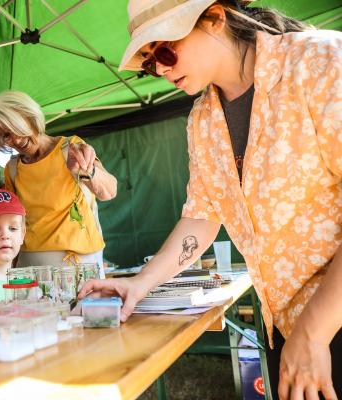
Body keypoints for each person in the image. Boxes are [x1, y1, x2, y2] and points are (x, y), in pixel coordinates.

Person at [80, 1, 342, 398]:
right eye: (150, 63)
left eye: (165, 51)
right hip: (288, 327)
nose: (162, 69)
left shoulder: (319, 59)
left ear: (216, 18)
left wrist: (315, 331)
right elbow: (202, 216)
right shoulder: (203, 119)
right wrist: (140, 283)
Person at [0, 91, 117, 271]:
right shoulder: (12, 169)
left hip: (80, 263)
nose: (16, 139)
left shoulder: (70, 148)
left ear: (30, 117)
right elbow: (14, 224)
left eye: (17, 127)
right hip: (32, 265)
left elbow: (109, 192)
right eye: (6, 135)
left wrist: (87, 170)